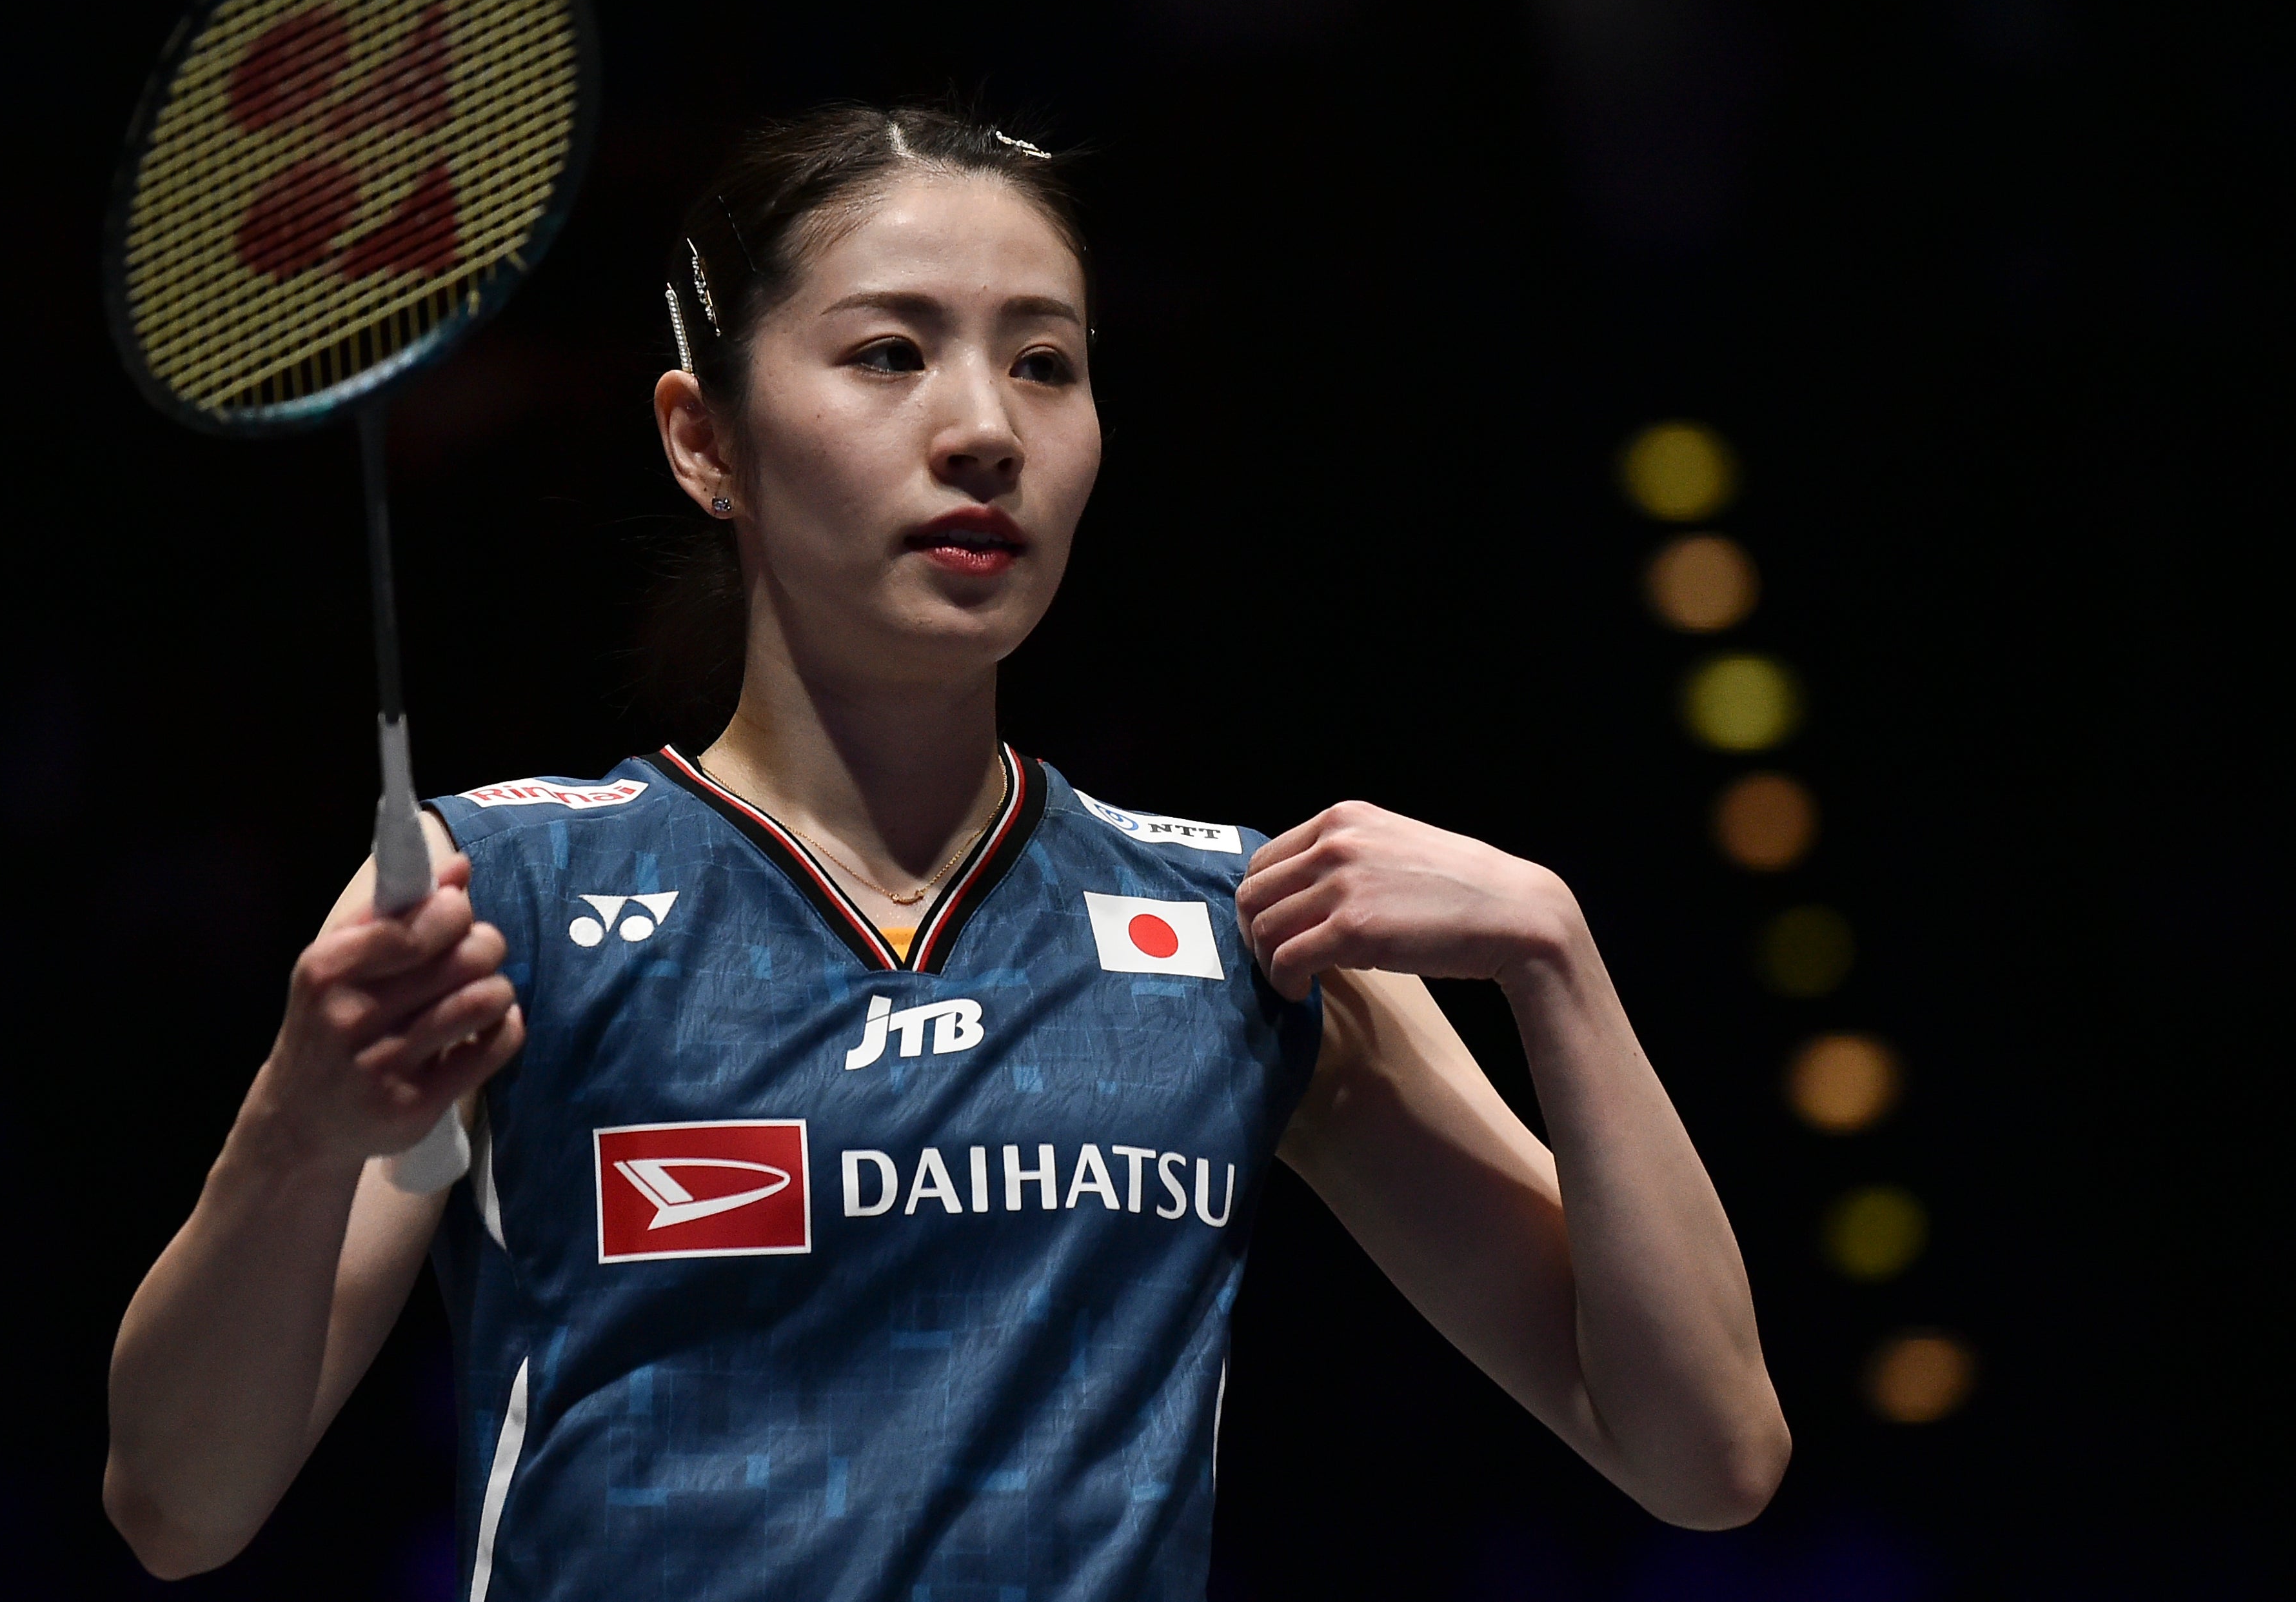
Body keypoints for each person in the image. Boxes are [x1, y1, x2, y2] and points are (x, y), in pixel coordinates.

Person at [103, 104, 1790, 1600]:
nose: (985, 424)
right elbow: (179, 1505)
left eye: (1043, 360)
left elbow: (1702, 1456)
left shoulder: (1237, 927)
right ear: (704, 440)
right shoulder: (496, 898)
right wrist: (297, 1127)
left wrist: (1557, 958)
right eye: (890, 352)